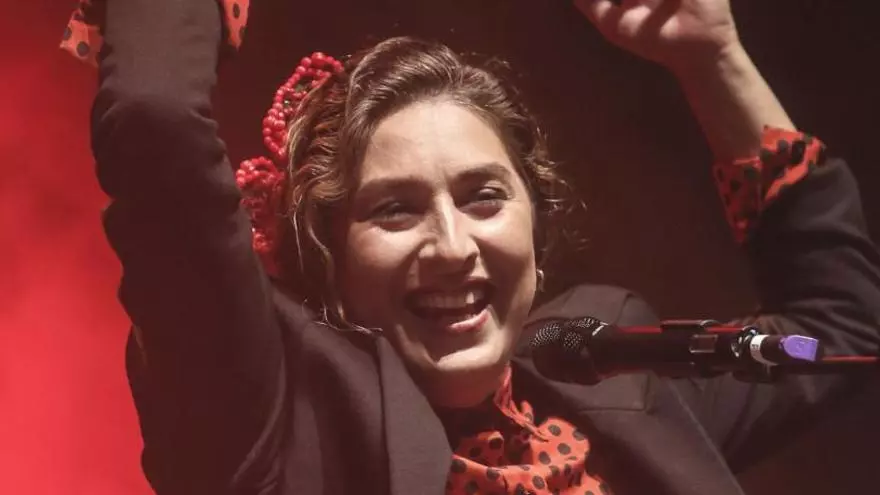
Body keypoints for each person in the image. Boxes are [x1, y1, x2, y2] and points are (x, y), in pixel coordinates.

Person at [61, 0, 880, 494]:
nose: (452, 245)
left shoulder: (614, 382)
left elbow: (838, 329)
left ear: (536, 224)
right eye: (395, 210)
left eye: (484, 196)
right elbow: (155, 122)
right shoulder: (283, 421)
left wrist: (715, 60)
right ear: (328, 261)